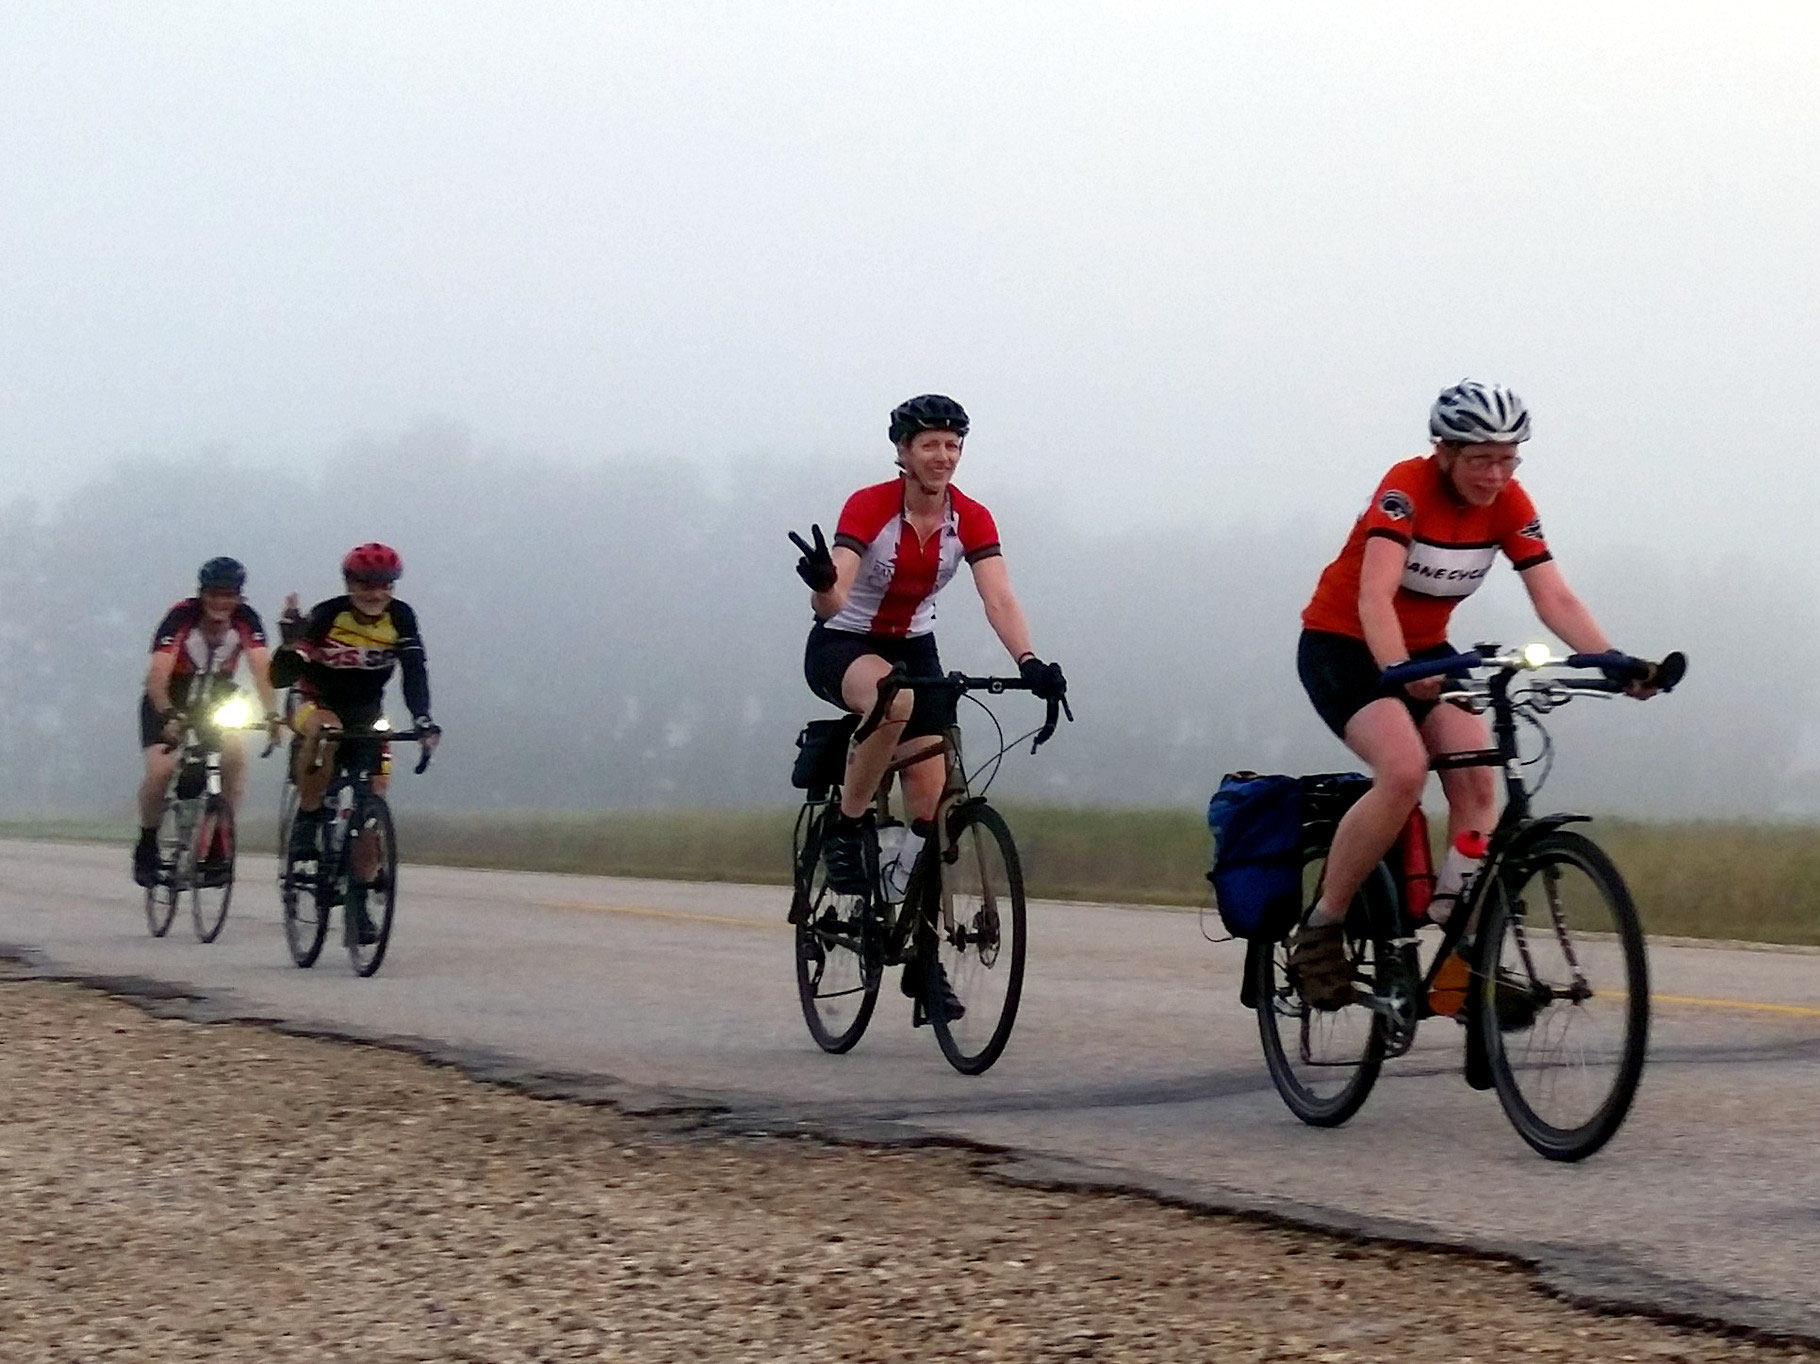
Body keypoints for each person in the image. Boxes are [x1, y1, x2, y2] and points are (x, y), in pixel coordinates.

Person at [1292, 380, 1662, 1010]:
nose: (1496, 474)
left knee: (1480, 777)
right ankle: (1322, 927)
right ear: (1443, 450)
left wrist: (1613, 662)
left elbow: (1554, 596)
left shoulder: (1509, 501)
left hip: (1428, 654)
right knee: (1404, 771)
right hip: (1345, 646)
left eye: (1509, 459)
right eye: (1481, 460)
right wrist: (1398, 668)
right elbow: (1374, 594)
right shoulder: (1407, 489)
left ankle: (1457, 950)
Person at [790, 394, 1067, 1021]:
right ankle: (847, 824)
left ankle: (921, 957)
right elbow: (833, 601)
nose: (943, 456)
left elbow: (998, 598)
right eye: (930, 445)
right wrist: (821, 584)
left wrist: (1030, 662)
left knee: (931, 805)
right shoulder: (870, 506)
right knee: (895, 700)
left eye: (952, 445)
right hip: (845, 643)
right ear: (903, 453)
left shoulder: (970, 518)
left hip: (916, 646)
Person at [270, 543, 440, 940]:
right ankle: (309, 817)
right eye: (365, 584)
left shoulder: (401, 618)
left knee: (372, 801)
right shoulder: (328, 615)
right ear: (349, 583)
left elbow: (414, 672)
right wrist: (291, 645)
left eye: (385, 585)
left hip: (365, 713)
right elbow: (280, 677)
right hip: (314, 701)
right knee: (326, 732)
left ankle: (359, 903)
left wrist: (424, 720)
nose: (375, 593)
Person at [134, 557, 281, 886]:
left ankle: (218, 844)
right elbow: (157, 675)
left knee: (234, 758)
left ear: (239, 598)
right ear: (201, 595)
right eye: (214, 595)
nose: (220, 603)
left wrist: (272, 714)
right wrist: (168, 714)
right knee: (161, 771)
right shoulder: (181, 616)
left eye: (228, 595)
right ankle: (147, 842)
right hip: (171, 692)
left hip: (216, 695)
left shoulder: (246, 619)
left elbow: (262, 669)